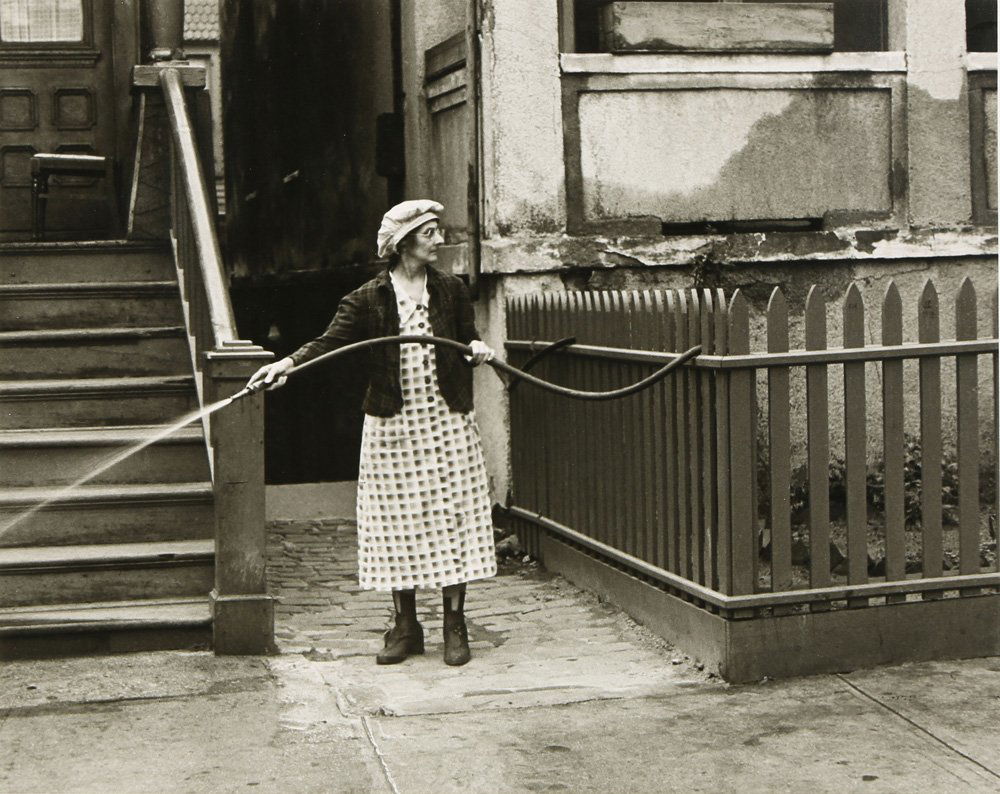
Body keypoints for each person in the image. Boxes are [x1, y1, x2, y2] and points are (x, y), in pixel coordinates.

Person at [248, 200, 497, 667]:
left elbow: (468, 338)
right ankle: (405, 628)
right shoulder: (368, 298)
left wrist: (477, 349)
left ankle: (454, 625)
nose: (439, 241)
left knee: (453, 517)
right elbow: (329, 342)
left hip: (447, 420)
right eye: (430, 234)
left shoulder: (450, 289)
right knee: (396, 523)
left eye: (438, 232)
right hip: (392, 424)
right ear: (403, 243)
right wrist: (285, 364)